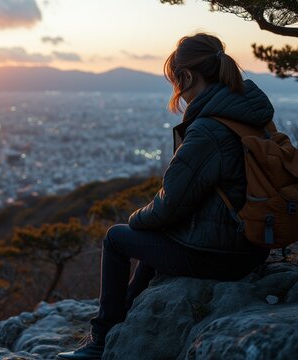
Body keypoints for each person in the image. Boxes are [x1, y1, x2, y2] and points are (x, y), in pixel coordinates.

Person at [57, 33, 272, 360]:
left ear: (186, 77)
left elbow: (170, 204)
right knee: (154, 235)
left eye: (176, 80)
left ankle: (99, 341)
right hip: (254, 244)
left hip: (222, 253)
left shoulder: (208, 129)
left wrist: (136, 220)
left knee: (117, 238)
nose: (177, 91)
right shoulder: (250, 114)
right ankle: (127, 313)